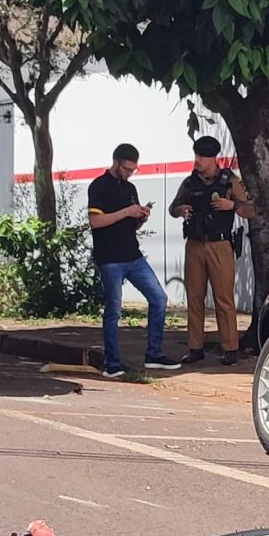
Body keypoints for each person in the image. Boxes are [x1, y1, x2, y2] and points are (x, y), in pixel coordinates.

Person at [85, 143, 179, 378]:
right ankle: (112, 362)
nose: (129, 173)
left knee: (159, 298)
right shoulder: (98, 186)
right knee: (114, 310)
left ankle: (154, 353)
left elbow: (130, 225)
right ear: (116, 162)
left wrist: (139, 217)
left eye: (133, 170)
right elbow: (95, 222)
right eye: (126, 168)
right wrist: (126, 212)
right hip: (110, 258)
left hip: (133, 255)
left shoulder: (130, 188)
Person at [169, 135, 249, 363]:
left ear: (214, 158)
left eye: (202, 156)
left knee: (223, 298)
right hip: (194, 244)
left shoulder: (229, 180)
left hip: (220, 244)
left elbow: (251, 209)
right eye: (196, 155)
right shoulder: (189, 182)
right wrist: (180, 210)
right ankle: (195, 348)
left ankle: (230, 349)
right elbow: (173, 207)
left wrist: (231, 205)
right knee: (194, 298)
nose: (198, 160)